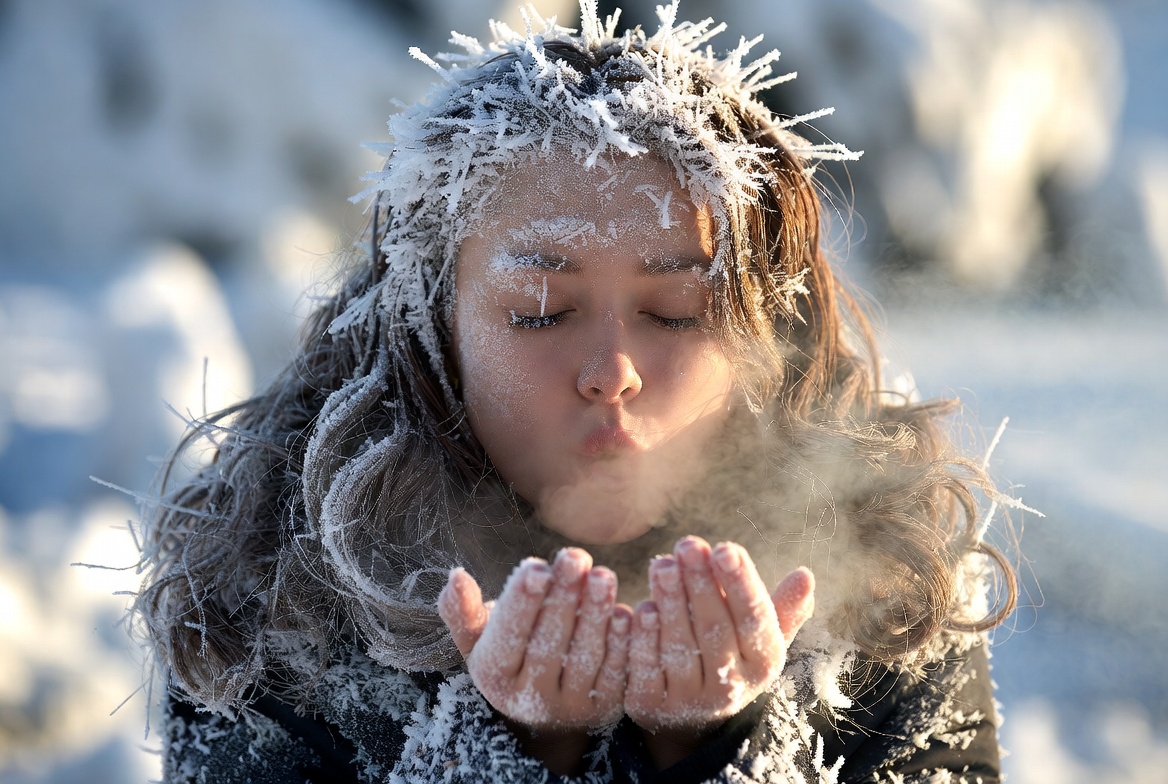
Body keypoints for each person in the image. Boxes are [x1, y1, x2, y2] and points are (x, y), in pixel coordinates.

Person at [134, 2, 1018, 781]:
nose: (611, 372)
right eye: (542, 311)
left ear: (764, 341)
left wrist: (721, 750)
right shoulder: (267, 594)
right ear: (429, 330)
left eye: (674, 313)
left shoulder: (885, 587)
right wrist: (497, 755)